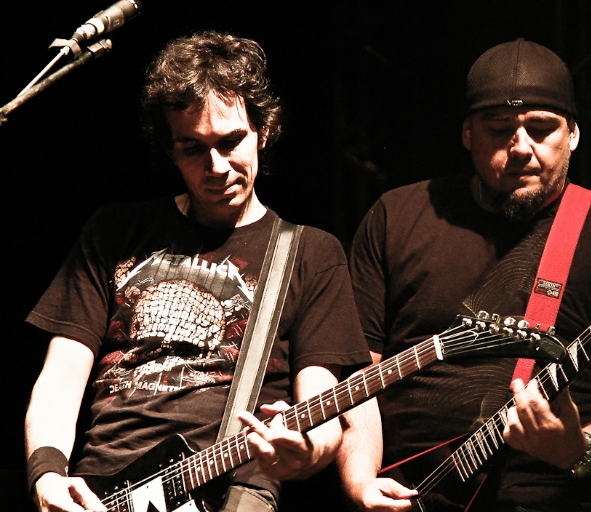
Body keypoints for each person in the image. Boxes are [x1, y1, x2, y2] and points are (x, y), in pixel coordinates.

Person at [337, 39, 591, 512]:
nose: (522, 148)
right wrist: (360, 477)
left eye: (541, 129)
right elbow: (358, 374)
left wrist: (582, 447)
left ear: (573, 134)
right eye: (499, 129)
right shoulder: (397, 216)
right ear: (467, 134)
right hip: (400, 498)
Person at [24, 30, 371, 512]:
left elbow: (323, 407)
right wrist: (47, 475)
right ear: (169, 149)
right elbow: (62, 374)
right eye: (192, 148)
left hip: (227, 491)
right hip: (99, 491)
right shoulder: (114, 230)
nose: (217, 167)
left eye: (231, 142)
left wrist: (307, 452)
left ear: (263, 130)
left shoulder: (311, 253)